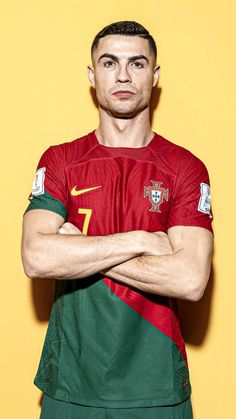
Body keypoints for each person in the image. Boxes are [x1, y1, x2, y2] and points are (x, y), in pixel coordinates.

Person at [21, 21, 213, 419]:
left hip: (157, 388)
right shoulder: (60, 160)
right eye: (109, 62)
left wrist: (77, 247)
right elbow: (37, 257)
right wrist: (143, 239)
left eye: (137, 64)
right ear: (92, 75)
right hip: (70, 386)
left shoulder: (185, 167)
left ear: (154, 76)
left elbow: (190, 279)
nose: (123, 75)